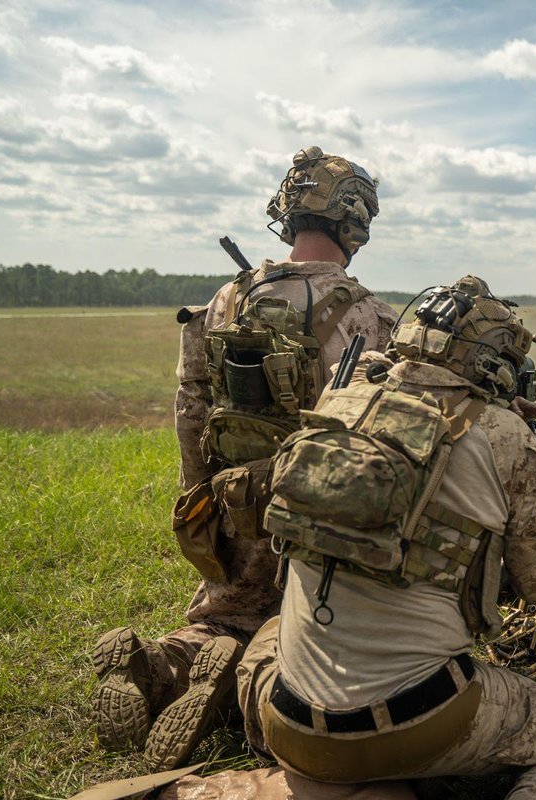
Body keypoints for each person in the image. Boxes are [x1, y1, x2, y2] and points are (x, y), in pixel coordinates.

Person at [235, 277, 536, 798]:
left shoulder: (340, 398)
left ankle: (302, 762)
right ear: (499, 364)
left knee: (270, 635)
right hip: (416, 720)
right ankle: (395, 769)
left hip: (289, 720)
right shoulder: (508, 441)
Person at [91, 146, 398, 769]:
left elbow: (191, 409)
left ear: (288, 212)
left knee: (221, 616)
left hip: (231, 502)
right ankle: (242, 678)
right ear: (354, 223)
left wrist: (199, 500)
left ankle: (160, 663)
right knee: (309, 641)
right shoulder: (371, 315)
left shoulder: (225, 300)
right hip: (318, 522)